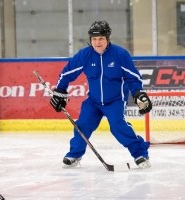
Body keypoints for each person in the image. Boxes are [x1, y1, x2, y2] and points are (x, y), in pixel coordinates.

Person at [50, 20, 153, 169]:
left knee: (118, 126)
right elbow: (67, 73)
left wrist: (139, 94)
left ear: (108, 38)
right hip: (94, 101)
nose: (97, 43)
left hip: (115, 100)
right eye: (94, 39)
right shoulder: (85, 55)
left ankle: (140, 153)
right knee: (83, 124)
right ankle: (75, 154)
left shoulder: (120, 54)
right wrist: (60, 91)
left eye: (101, 39)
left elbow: (133, 77)